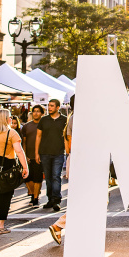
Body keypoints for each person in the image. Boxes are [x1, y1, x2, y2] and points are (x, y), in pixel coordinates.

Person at [49, 95, 74, 244]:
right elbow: (71, 144)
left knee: (85, 199)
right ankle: (59, 225)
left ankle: (61, 226)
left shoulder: (71, 118)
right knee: (88, 200)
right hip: (81, 161)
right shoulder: (77, 118)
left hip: (75, 159)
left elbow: (68, 145)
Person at [35, 99, 66, 211]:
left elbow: (67, 137)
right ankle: (50, 199)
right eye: (49, 106)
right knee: (48, 178)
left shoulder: (64, 120)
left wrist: (67, 151)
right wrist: (36, 153)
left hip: (58, 153)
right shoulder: (44, 120)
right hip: (44, 153)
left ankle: (56, 200)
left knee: (56, 176)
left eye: (52, 106)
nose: (49, 108)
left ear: (58, 107)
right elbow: (38, 136)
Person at [21, 105, 44, 206]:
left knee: (37, 178)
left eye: (38, 111)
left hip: (40, 155)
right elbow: (24, 142)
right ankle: (33, 194)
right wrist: (25, 155)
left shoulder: (44, 125)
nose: (35, 113)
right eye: (34, 111)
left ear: (42, 113)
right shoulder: (26, 126)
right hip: (28, 156)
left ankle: (35, 198)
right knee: (28, 179)